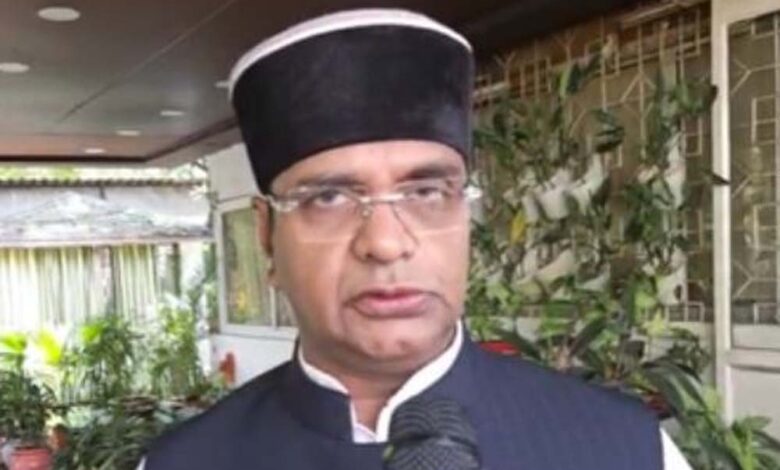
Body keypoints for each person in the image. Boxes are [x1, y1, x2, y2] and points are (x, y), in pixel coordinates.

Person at [141, 9, 692, 469]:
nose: (385, 243)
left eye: (426, 191)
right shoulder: (187, 462)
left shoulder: (625, 449)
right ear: (266, 237)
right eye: (329, 197)